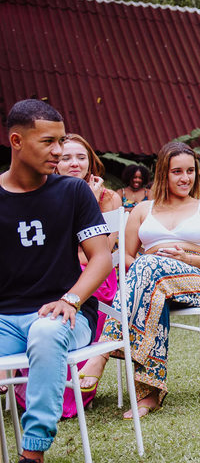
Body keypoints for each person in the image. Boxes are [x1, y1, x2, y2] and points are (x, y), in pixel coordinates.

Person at [0, 100, 111, 463]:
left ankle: (31, 461)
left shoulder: (73, 191)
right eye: (48, 141)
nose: (59, 151)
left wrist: (72, 298)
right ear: (16, 141)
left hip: (67, 314)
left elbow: (101, 257)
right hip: (5, 321)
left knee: (46, 333)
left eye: (62, 141)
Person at [78, 141, 200, 418]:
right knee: (151, 284)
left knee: (149, 271)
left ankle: (100, 355)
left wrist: (186, 259)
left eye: (190, 171)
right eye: (177, 172)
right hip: (153, 282)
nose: (185, 178)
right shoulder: (142, 210)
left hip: (197, 280)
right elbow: (124, 255)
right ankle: (150, 393)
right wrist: (147, 270)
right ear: (163, 173)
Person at [15, 133, 123, 419]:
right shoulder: (42, 193)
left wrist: (89, 199)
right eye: (66, 158)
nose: (74, 163)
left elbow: (102, 252)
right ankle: (27, 386)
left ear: (91, 162)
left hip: (92, 275)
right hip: (54, 274)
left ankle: (77, 388)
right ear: (55, 163)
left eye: (81, 157)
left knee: (65, 305)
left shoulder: (108, 197)